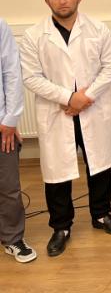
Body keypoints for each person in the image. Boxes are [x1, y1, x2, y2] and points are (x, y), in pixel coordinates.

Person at [20, 0, 111, 257]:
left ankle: (101, 214)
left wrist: (85, 98)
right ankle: (61, 226)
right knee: (57, 171)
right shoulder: (33, 35)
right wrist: (69, 98)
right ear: (47, 1)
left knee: (98, 164)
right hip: (58, 112)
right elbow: (31, 77)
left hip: (92, 108)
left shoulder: (98, 29)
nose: (62, 0)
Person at [1, 18, 36, 263]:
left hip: (1, 123)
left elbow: (11, 71)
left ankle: (13, 238)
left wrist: (11, 118)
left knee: (8, 185)